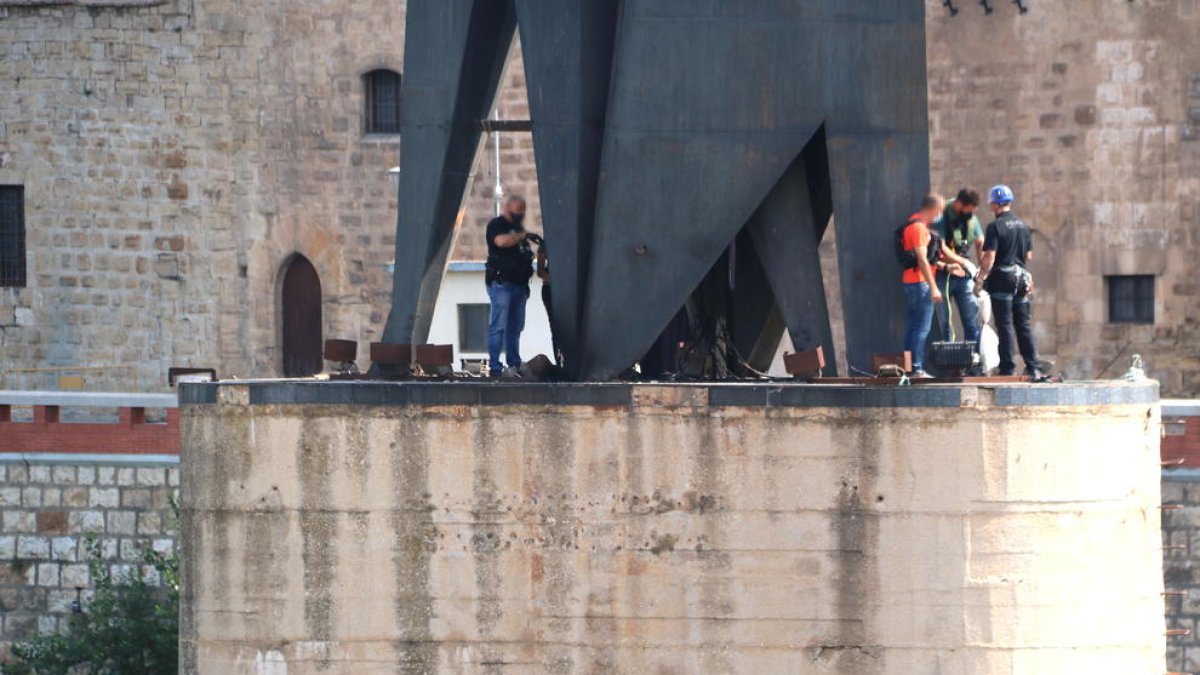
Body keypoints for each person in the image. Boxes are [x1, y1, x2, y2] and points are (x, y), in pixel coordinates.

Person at [973, 185, 1049, 378]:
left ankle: (1008, 367)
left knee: (1005, 325)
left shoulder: (995, 227)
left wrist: (980, 278)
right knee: (1023, 324)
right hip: (1022, 279)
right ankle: (1033, 365)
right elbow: (1028, 255)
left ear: (993, 203)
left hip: (1002, 279)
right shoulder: (1023, 225)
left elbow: (990, 256)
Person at [485, 196, 538, 377]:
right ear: (508, 208)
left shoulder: (518, 230)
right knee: (498, 326)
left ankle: (514, 363)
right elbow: (501, 242)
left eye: (522, 211)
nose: (520, 214)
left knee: (515, 327)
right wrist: (522, 236)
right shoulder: (497, 225)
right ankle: (495, 367)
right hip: (502, 284)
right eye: (517, 210)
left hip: (519, 285)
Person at [900, 194, 945, 378]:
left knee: (913, 327)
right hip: (920, 283)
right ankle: (916, 368)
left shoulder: (913, 224)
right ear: (933, 209)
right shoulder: (918, 228)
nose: (940, 214)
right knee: (921, 328)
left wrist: (946, 265)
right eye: (940, 210)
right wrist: (933, 286)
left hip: (912, 282)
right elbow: (922, 259)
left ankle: (910, 368)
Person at [935, 189, 984, 348]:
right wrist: (963, 262)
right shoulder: (941, 216)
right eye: (968, 210)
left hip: (965, 277)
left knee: (971, 319)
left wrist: (982, 271)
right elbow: (940, 248)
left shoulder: (971, 219)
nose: (970, 214)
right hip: (944, 274)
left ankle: (973, 360)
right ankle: (950, 361)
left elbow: (980, 242)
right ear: (959, 204)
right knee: (945, 321)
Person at [534, 241, 561, 366]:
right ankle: (560, 359)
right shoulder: (548, 241)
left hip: (564, 289)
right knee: (556, 327)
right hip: (551, 289)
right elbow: (540, 271)